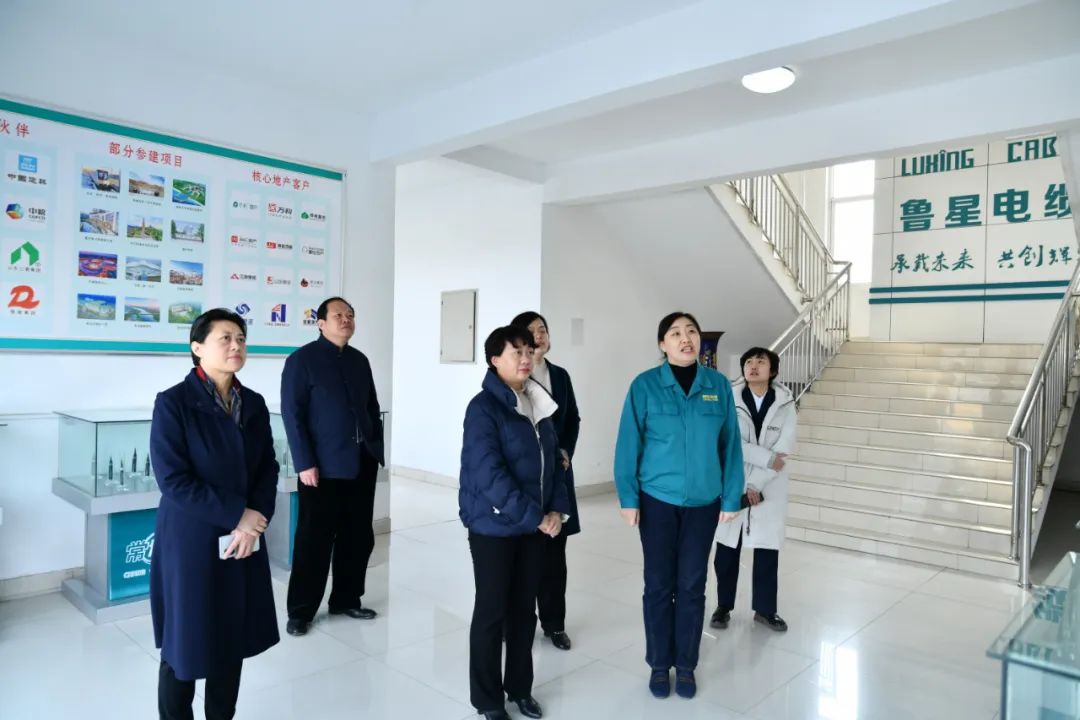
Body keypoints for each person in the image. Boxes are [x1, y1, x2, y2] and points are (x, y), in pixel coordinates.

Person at [149, 308, 280, 720]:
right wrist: (238, 515)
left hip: (243, 537)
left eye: (240, 338)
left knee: (231, 636)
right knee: (184, 644)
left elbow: (268, 467)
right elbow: (173, 479)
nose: (236, 345)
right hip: (192, 539)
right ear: (197, 347)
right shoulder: (174, 403)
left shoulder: (252, 403)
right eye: (225, 338)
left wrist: (255, 519)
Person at [614, 311, 743, 701]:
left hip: (704, 502)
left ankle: (685, 665)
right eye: (675, 333)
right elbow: (629, 444)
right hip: (657, 500)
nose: (685, 338)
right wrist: (628, 497)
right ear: (662, 344)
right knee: (658, 584)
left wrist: (731, 496)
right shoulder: (645, 386)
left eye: (691, 332)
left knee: (692, 584)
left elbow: (731, 447)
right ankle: (658, 663)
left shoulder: (717, 386)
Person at [459, 325, 571, 720]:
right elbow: (489, 475)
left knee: (524, 611)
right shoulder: (482, 408)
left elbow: (554, 463)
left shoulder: (537, 400)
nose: (525, 358)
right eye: (515, 352)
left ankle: (520, 688)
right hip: (493, 527)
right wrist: (536, 517)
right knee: (492, 612)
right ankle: (488, 700)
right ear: (494, 360)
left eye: (528, 351)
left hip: (533, 526)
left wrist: (556, 510)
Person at [280, 296, 385, 637]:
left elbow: (371, 407)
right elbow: (293, 415)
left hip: (360, 463)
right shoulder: (302, 361)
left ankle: (346, 599)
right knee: (314, 540)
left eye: (350, 315)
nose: (346, 320)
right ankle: (301, 611)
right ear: (321, 323)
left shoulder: (359, 360)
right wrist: (304, 462)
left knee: (358, 537)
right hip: (321, 468)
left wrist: (375, 447)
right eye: (338, 315)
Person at [712, 347, 797, 633]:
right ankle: (723, 607)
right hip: (733, 481)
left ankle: (765, 610)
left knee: (767, 551)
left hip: (769, 486)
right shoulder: (730, 398)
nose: (753, 366)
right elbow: (730, 441)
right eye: (748, 361)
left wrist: (755, 485)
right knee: (726, 549)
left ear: (773, 371)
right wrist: (765, 460)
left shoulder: (786, 404)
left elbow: (783, 451)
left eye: (761, 362)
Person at [510, 311, 581, 652]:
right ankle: (515, 623)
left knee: (554, 557)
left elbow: (573, 419)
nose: (539, 335)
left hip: (556, 478)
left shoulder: (560, 375)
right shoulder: (511, 376)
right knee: (520, 558)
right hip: (523, 481)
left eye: (543, 329)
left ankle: (554, 624)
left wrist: (565, 450)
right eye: (531, 331)